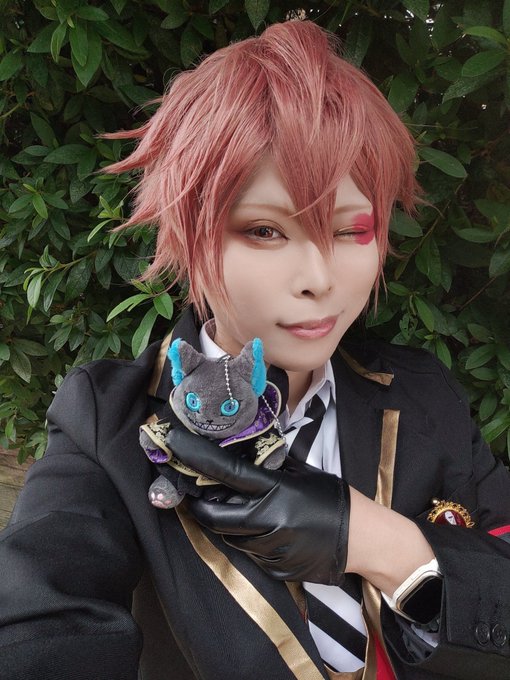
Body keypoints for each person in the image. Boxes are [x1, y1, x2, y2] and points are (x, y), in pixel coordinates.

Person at [1, 19, 509, 680]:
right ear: (190, 231)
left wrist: (385, 545)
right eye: (265, 230)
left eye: (350, 231)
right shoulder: (111, 421)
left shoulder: (424, 395)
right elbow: (42, 622)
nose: (319, 279)